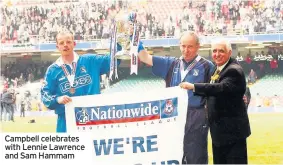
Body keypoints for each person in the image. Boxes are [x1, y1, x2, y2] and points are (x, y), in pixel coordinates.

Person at [137, 31, 215, 164]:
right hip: (173, 116)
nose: (186, 50)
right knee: (174, 154)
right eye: (183, 46)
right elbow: (144, 57)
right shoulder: (171, 63)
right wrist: (135, 40)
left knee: (196, 156)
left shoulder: (208, 66)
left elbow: (214, 91)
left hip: (196, 116)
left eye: (190, 46)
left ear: (198, 46)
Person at [179, 39, 251, 164]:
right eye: (214, 51)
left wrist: (193, 86)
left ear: (229, 52)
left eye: (221, 51)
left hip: (232, 133)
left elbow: (221, 88)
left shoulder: (233, 70)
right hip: (219, 133)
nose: (217, 54)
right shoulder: (216, 69)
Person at [41, 30, 123, 133]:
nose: (65, 45)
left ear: (74, 44)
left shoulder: (90, 61)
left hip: (93, 120)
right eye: (61, 43)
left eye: (68, 42)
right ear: (57, 47)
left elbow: (113, 60)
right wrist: (57, 99)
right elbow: (45, 95)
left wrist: (119, 42)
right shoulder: (52, 70)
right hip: (66, 122)